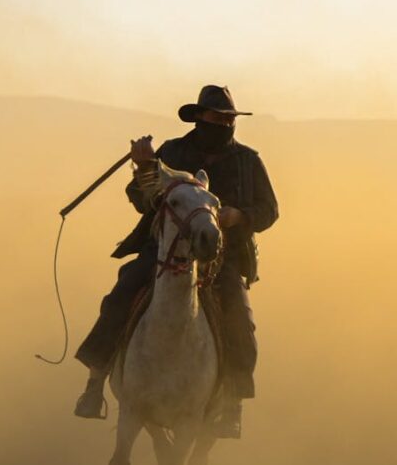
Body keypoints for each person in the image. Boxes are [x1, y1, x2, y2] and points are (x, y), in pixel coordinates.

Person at [74, 85, 279, 438]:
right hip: (163, 250)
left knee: (240, 321)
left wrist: (238, 217)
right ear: (199, 118)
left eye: (229, 119)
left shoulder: (248, 160)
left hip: (222, 258)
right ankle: (95, 383)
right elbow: (142, 200)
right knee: (121, 295)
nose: (225, 124)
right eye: (218, 118)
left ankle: (232, 404)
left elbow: (269, 211)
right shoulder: (172, 152)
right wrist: (144, 166)